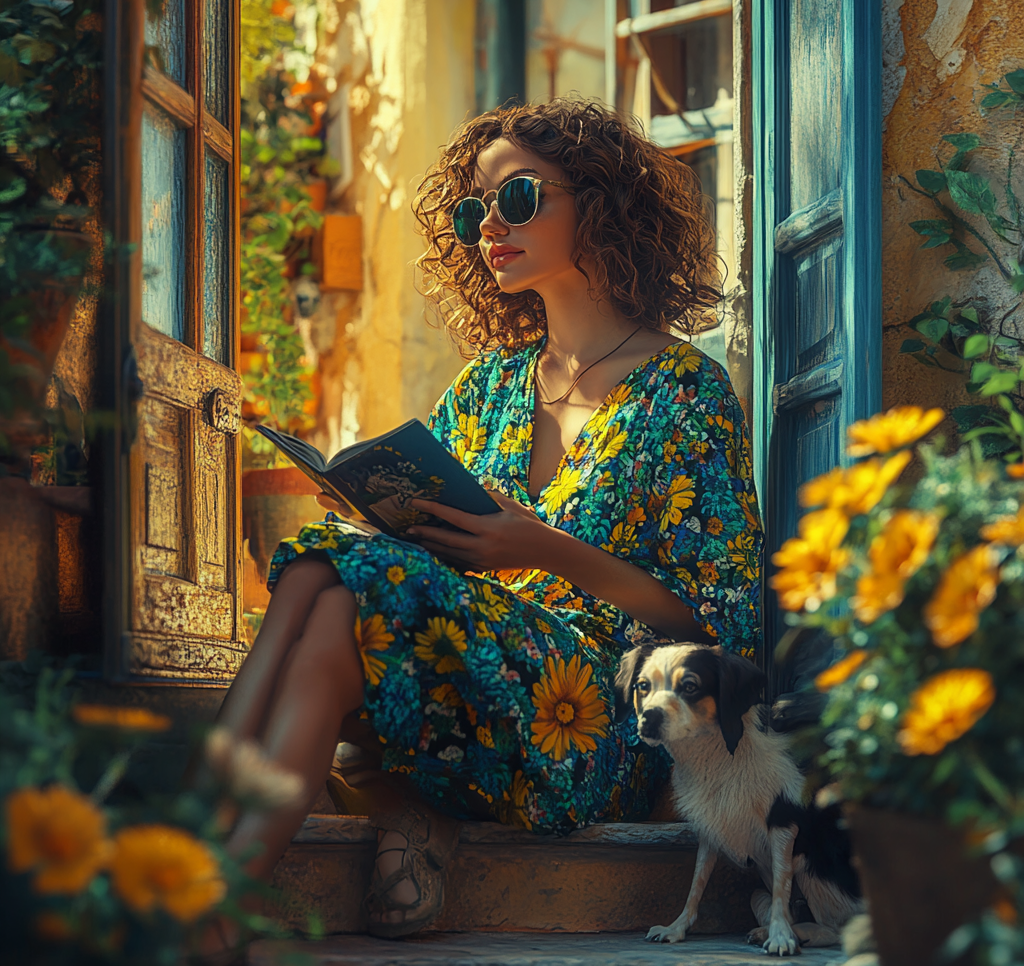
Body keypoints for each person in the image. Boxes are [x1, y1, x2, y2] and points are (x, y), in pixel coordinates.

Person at [211, 96, 763, 945]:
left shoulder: (686, 393)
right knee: (325, 573)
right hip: (473, 676)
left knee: (331, 583)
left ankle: (201, 866)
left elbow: (719, 626)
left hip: (600, 720)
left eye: (517, 199)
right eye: (474, 212)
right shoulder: (487, 389)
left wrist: (544, 549)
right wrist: (382, 518)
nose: (487, 228)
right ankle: (214, 883)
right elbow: (442, 572)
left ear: (603, 202)